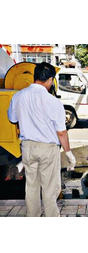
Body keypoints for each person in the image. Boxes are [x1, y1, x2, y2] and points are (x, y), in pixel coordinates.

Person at [7, 62, 76, 217]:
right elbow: (61, 133)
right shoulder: (54, 102)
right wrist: (69, 154)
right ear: (50, 80)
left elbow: (12, 118)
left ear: (35, 76)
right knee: (50, 189)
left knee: (31, 187)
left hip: (27, 148)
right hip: (48, 149)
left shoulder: (18, 96)